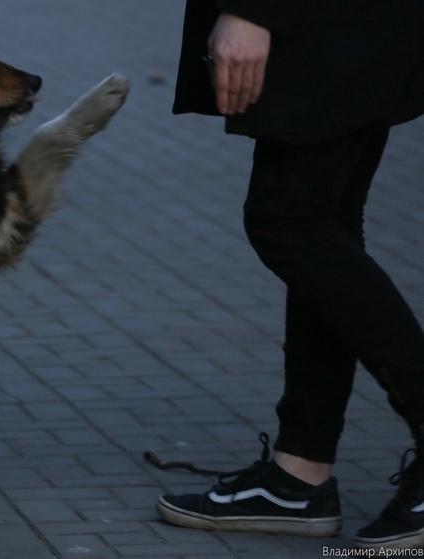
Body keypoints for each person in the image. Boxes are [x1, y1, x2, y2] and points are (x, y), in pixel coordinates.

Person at [157, 0, 424, 551]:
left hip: (324, 19)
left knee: (292, 224)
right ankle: (300, 475)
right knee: (326, 224)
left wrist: (254, 9)